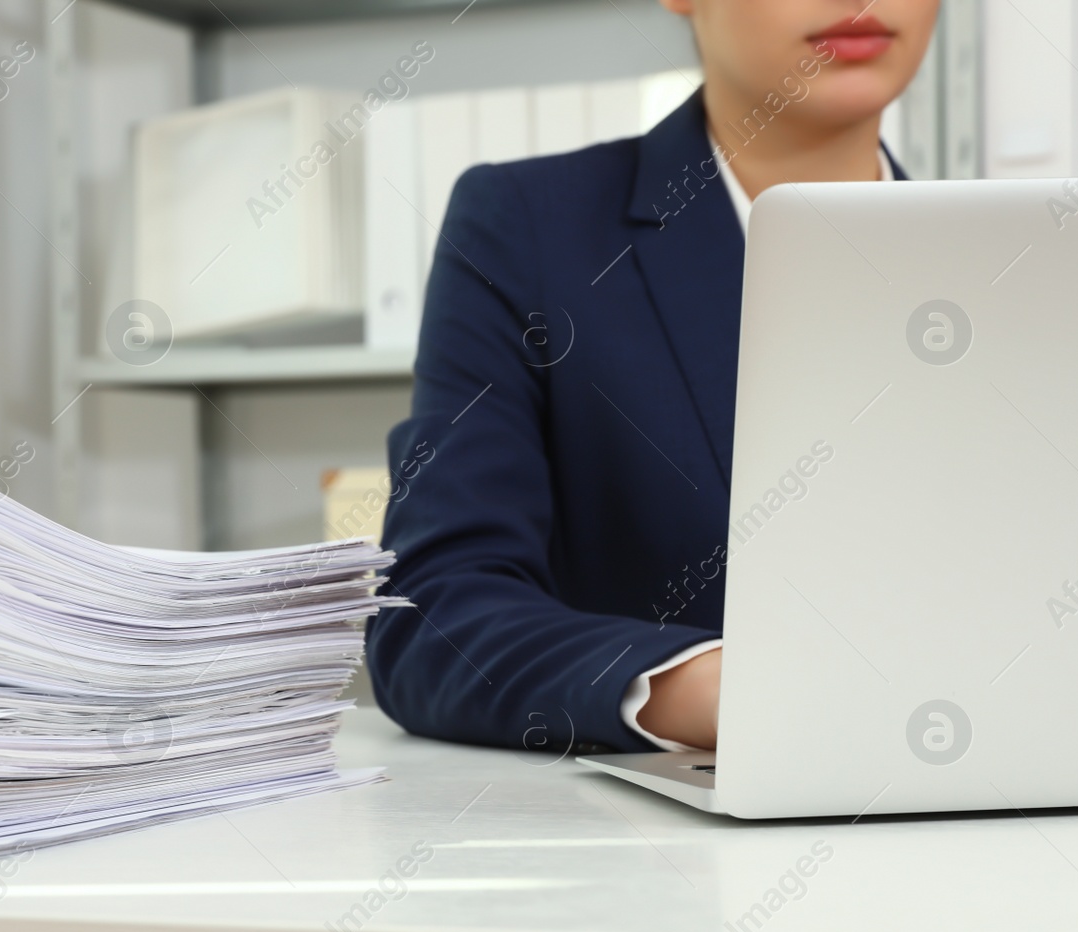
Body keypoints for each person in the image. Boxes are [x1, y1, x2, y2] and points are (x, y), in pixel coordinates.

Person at [365, 0, 940, 754]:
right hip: (677, 848)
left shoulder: (1032, 259)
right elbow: (433, 617)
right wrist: (700, 688)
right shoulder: (528, 228)